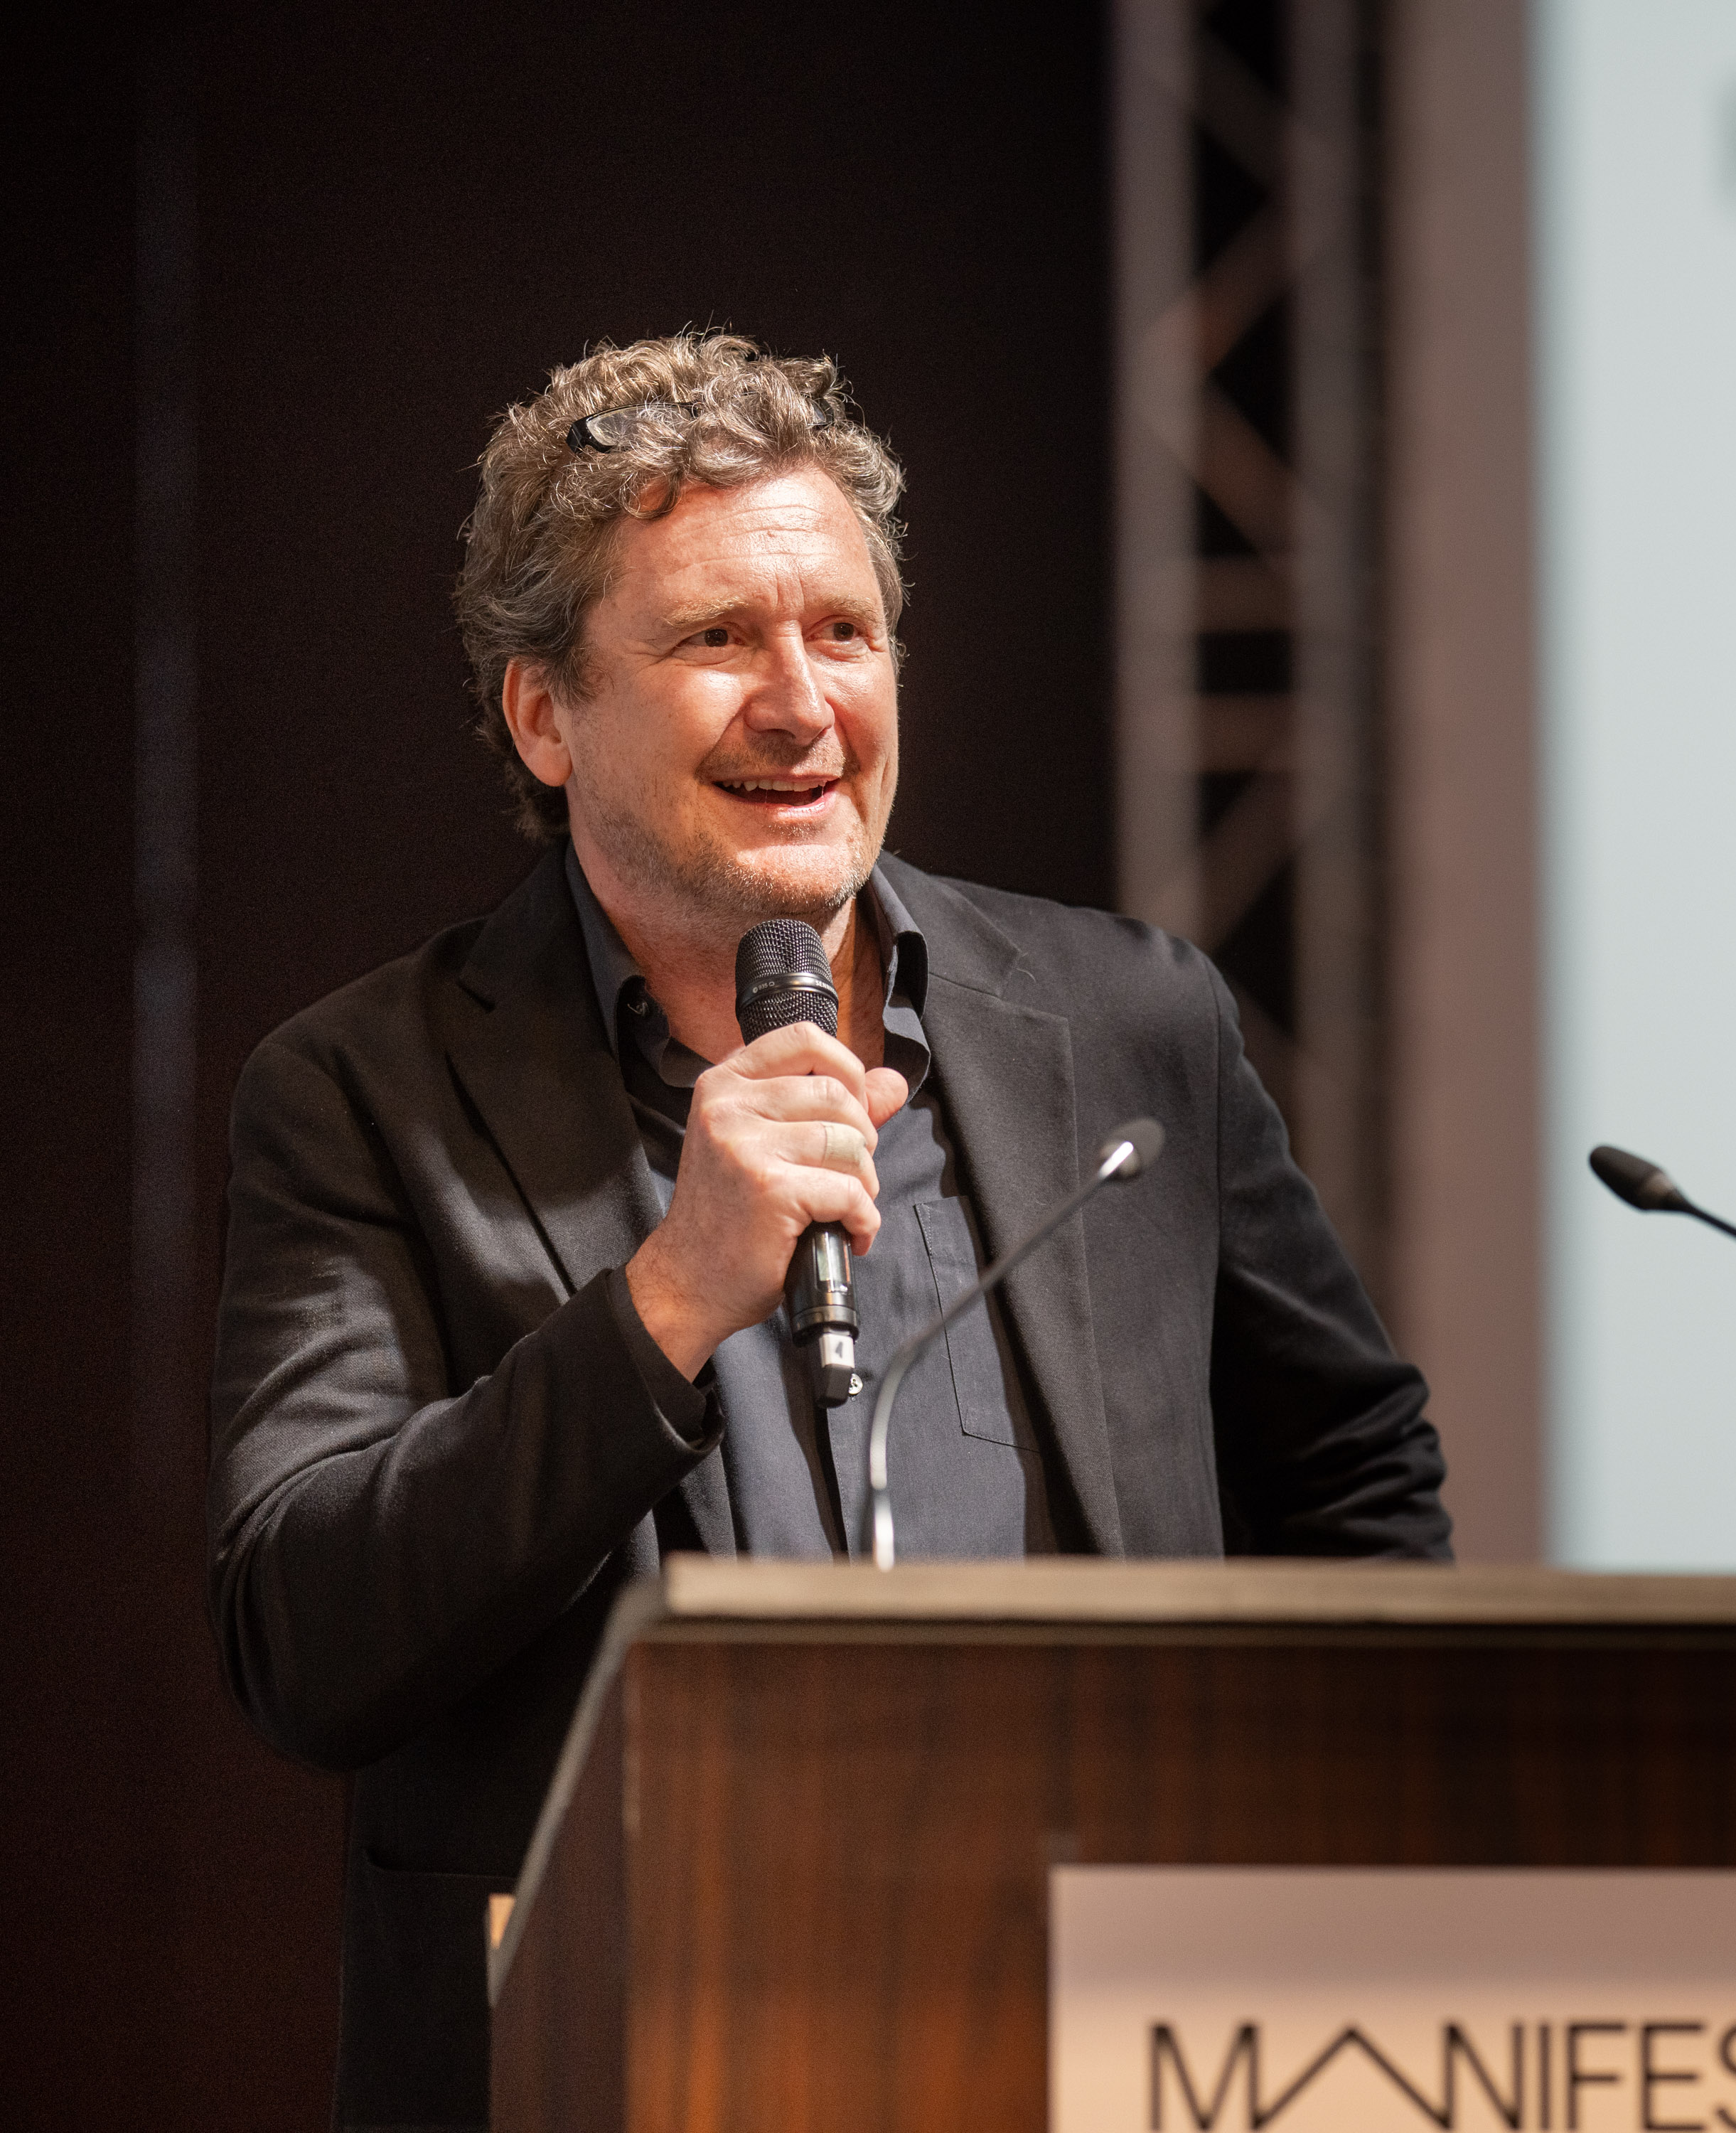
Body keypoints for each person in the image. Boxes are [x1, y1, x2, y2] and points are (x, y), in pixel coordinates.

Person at [205, 333, 1450, 2133]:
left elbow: (1350, 1483)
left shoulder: (1126, 1026)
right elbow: (302, 1632)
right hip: (618, 2049)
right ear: (544, 716)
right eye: (717, 638)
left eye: (845, 634)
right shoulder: (363, 1091)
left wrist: (1332, 1907)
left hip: (1109, 2041)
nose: (802, 705)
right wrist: (662, 1305)